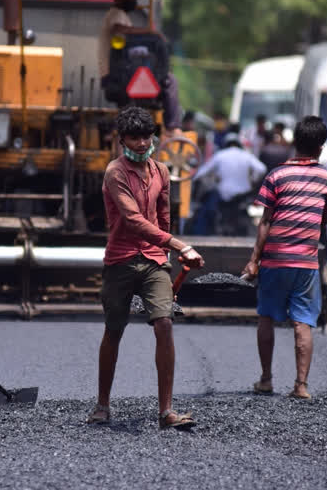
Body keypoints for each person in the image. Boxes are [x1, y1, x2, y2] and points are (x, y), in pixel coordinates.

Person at [88, 106, 204, 429]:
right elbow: (134, 221)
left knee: (164, 323)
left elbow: (164, 217)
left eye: (146, 136)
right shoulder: (115, 172)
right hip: (121, 259)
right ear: (122, 139)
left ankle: (166, 411)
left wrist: (169, 254)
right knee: (114, 329)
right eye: (134, 138)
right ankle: (102, 404)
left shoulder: (162, 172)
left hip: (154, 261)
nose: (141, 143)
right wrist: (180, 245)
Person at [242, 116, 327, 400]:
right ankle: (301, 385)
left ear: (294, 143)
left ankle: (266, 379)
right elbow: (326, 217)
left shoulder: (276, 175)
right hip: (306, 263)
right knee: (303, 322)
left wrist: (254, 259)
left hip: (274, 260)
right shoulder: (326, 178)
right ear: (320, 147)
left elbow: (266, 221)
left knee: (267, 316)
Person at [98, 0, 181, 134]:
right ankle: (173, 128)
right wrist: (150, 32)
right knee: (169, 81)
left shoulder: (119, 15)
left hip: (121, 75)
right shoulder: (116, 14)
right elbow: (119, 29)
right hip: (117, 77)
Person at [192, 132, 266, 236]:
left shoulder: (220, 155)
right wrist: (254, 180)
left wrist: (196, 181)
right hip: (242, 195)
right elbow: (261, 169)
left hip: (223, 195)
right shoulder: (246, 155)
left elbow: (202, 172)